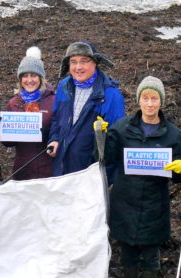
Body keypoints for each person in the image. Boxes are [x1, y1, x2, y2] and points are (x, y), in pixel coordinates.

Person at [104, 76, 181, 278]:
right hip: (124, 200)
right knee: (127, 251)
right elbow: (106, 158)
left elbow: (180, 176)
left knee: (150, 254)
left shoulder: (171, 133)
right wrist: (101, 135)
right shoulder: (121, 128)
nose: (149, 103)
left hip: (154, 203)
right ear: (138, 100)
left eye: (154, 98)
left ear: (161, 102)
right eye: (145, 98)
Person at [48, 41, 125, 176]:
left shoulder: (111, 95)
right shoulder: (63, 87)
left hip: (90, 175)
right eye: (73, 62)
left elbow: (116, 141)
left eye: (84, 61)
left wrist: (105, 178)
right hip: (61, 168)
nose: (78, 67)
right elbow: (56, 119)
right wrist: (54, 139)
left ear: (95, 62)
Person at [2, 46, 55, 180]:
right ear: (20, 80)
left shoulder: (54, 100)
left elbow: (61, 131)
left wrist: (47, 133)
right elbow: (8, 143)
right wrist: (4, 131)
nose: (29, 80)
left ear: (41, 78)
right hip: (22, 169)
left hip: (48, 169)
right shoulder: (13, 103)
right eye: (25, 76)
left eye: (33, 75)